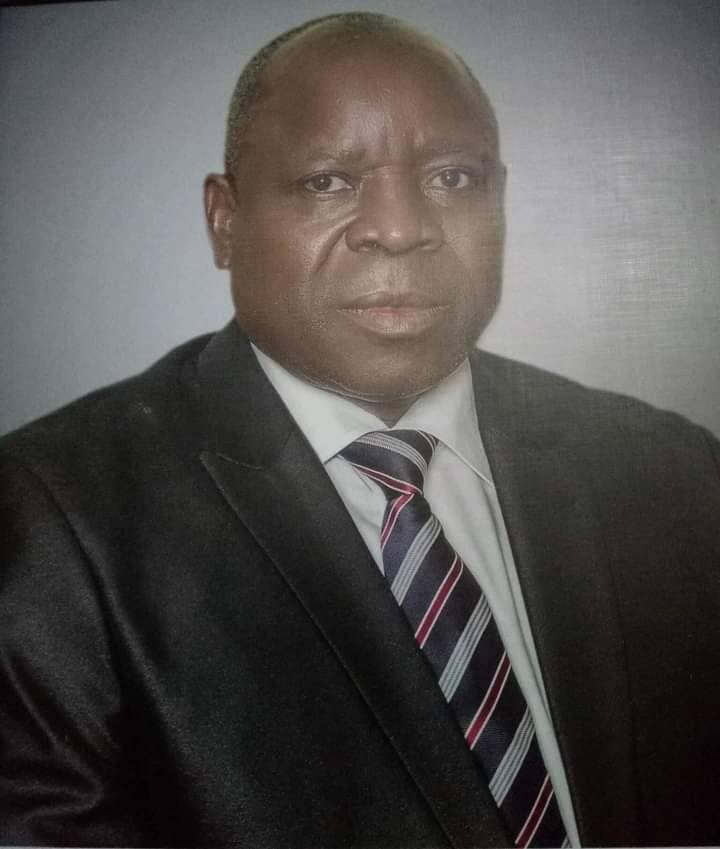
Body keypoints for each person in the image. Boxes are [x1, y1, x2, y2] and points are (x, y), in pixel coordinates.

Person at [1, 11, 719, 848]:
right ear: (225, 221)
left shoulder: (676, 475)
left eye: (453, 177)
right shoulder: (55, 523)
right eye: (327, 182)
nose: (401, 227)